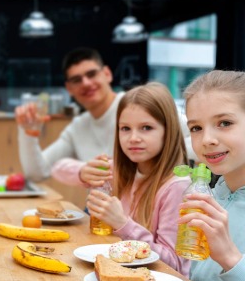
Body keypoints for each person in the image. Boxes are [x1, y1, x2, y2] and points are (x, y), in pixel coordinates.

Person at [85, 69, 245, 281]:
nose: (207, 139)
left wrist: (230, 258)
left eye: (224, 123)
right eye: (196, 128)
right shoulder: (211, 194)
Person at [15, 47, 195, 188]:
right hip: (104, 217)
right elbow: (37, 173)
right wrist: (28, 133)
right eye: (77, 80)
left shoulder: (140, 106)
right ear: (69, 88)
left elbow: (200, 139)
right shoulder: (78, 127)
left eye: (91, 74)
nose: (86, 83)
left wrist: (163, 152)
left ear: (107, 74)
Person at [84, 82, 191, 275]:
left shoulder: (177, 187)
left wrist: (122, 224)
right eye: (125, 128)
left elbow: (174, 265)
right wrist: (90, 181)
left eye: (146, 127)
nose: (133, 138)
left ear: (169, 131)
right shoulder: (121, 173)